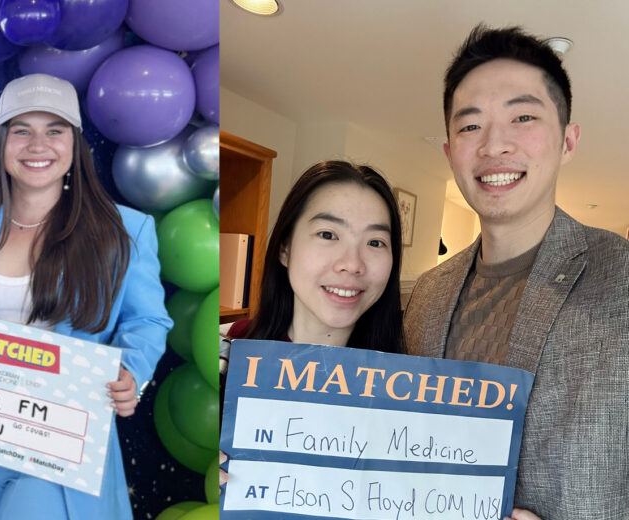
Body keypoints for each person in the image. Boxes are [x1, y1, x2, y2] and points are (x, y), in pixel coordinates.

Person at [0, 73, 172, 520]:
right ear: (0, 145)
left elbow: (148, 321)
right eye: (21, 130)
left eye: (54, 131)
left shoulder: (125, 231)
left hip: (62, 439)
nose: (37, 145)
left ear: (74, 146)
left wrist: (132, 371)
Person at [404, 25, 629, 519]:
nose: (493, 145)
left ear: (568, 140)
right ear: (449, 152)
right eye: (469, 126)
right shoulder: (426, 296)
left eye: (523, 116)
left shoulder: (622, 277)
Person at [219, 160, 405, 485]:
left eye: (375, 242)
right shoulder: (222, 356)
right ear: (285, 248)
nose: (352, 264)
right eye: (328, 234)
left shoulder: (409, 394)